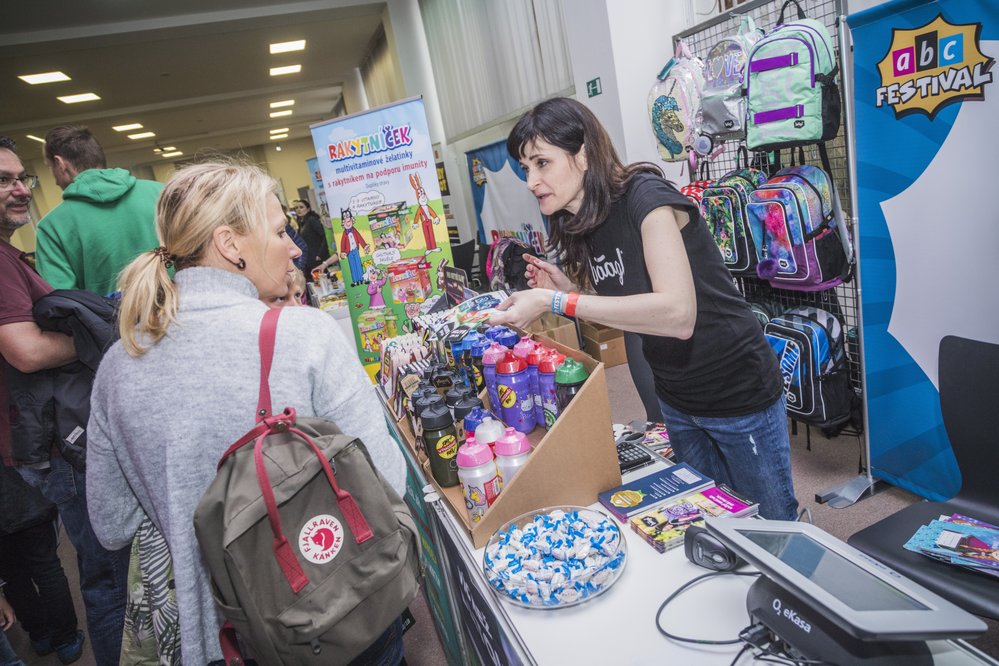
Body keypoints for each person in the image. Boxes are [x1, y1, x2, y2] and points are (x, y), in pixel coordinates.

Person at [86, 161, 408, 665]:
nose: (296, 247)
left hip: (221, 639)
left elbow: (111, 524)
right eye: (280, 231)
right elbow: (389, 480)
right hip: (335, 618)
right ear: (230, 244)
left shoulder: (117, 366)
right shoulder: (304, 335)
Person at [489, 98, 798, 520]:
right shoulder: (586, 222)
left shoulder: (646, 198)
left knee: (772, 526)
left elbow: (677, 314)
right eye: (526, 168)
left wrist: (555, 300)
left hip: (736, 391)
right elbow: (625, 311)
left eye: (541, 163)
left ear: (582, 154)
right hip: (677, 397)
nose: (531, 180)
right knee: (711, 524)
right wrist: (568, 292)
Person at [0, 136, 128, 666]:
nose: (18, 189)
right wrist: (111, 330)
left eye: (20, 178)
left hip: (51, 435)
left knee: (104, 566)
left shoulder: (10, 253)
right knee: (107, 572)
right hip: (53, 442)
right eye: (3, 181)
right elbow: (25, 350)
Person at [35, 125, 163, 295]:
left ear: (60, 164)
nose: (55, 181)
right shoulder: (162, 193)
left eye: (50, 168)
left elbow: (62, 300)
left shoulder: (51, 226)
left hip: (110, 320)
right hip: (183, 313)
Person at [0, 463, 83, 665]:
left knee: (13, 576)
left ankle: (40, 636)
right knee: (47, 569)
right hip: (24, 489)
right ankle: (66, 641)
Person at [293, 198, 330, 276]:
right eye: (296, 208)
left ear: (308, 209)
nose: (298, 210)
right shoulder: (301, 223)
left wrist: (320, 254)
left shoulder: (312, 220)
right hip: (308, 259)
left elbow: (324, 236)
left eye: (301, 207)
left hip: (317, 258)